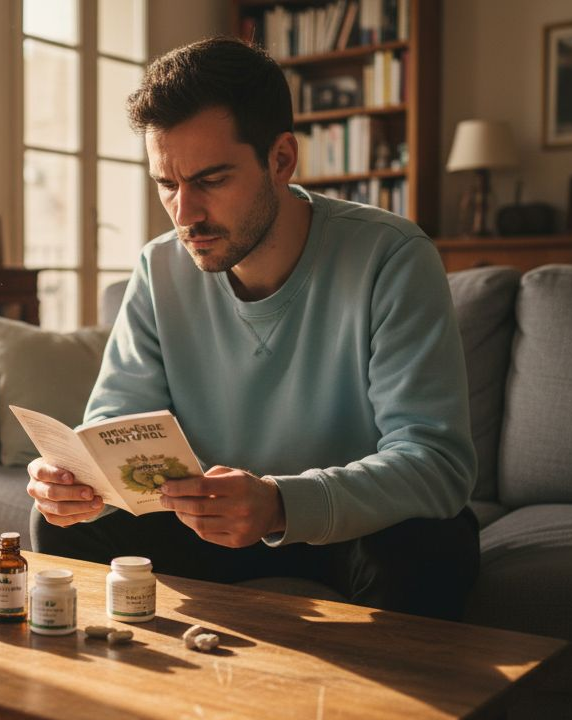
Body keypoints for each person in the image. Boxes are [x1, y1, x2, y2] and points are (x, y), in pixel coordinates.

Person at [26, 37, 480, 621]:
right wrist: (76, 486)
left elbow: (435, 462)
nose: (185, 214)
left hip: (352, 526)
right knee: (63, 528)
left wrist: (280, 503)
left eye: (211, 179)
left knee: (430, 547)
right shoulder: (158, 268)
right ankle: (116, 706)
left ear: (282, 159)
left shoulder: (392, 257)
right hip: (204, 521)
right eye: (167, 184)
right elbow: (116, 428)